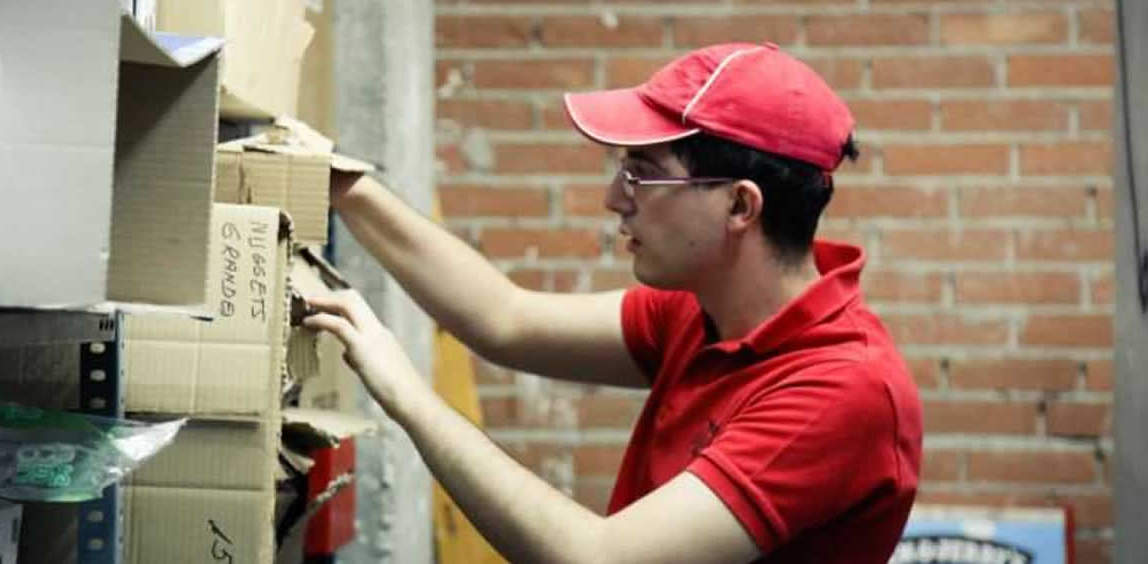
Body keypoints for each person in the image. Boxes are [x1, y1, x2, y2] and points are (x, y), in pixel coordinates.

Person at [305, 42, 923, 563]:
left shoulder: (842, 391)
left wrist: (407, 396)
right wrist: (346, 188)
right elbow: (505, 319)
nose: (614, 198)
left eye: (641, 174)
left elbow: (598, 558)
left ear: (740, 205)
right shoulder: (702, 309)